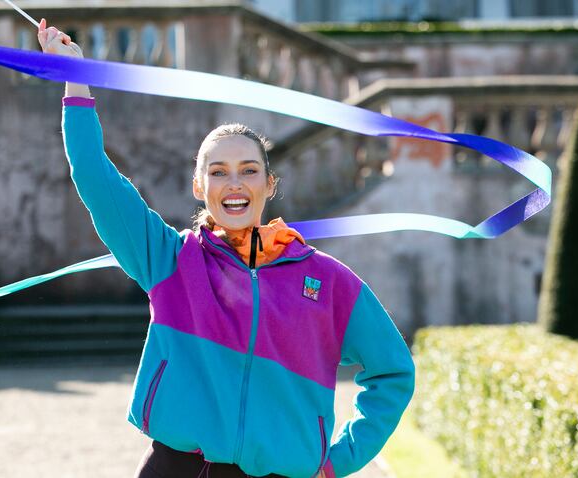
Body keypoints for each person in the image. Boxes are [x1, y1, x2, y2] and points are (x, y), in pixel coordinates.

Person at [38, 19, 416, 478]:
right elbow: (93, 175)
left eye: (248, 170)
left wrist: (339, 460)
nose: (233, 184)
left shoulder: (329, 281)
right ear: (199, 186)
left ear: (269, 184)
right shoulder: (170, 260)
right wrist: (76, 78)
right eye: (217, 172)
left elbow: (393, 374)